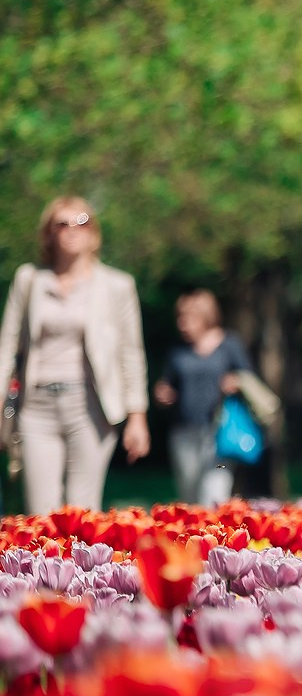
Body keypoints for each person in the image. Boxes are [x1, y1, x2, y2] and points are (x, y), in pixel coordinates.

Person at [0, 197, 150, 513]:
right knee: (40, 512)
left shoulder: (116, 285)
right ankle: (43, 565)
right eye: (62, 223)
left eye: (81, 222)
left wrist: (137, 415)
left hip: (90, 406)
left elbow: (130, 352)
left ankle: (84, 565)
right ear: (48, 233)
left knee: (83, 509)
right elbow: (7, 346)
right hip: (36, 406)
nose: (72, 230)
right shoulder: (29, 280)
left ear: (93, 232)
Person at [154, 289, 254, 505]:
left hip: (219, 435)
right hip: (184, 432)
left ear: (206, 317)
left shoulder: (229, 345)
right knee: (189, 493)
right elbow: (167, 383)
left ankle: (213, 535)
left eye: (188, 318)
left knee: (214, 490)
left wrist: (236, 382)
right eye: (180, 317)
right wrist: (163, 394)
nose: (182, 323)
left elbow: (249, 379)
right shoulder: (178, 351)